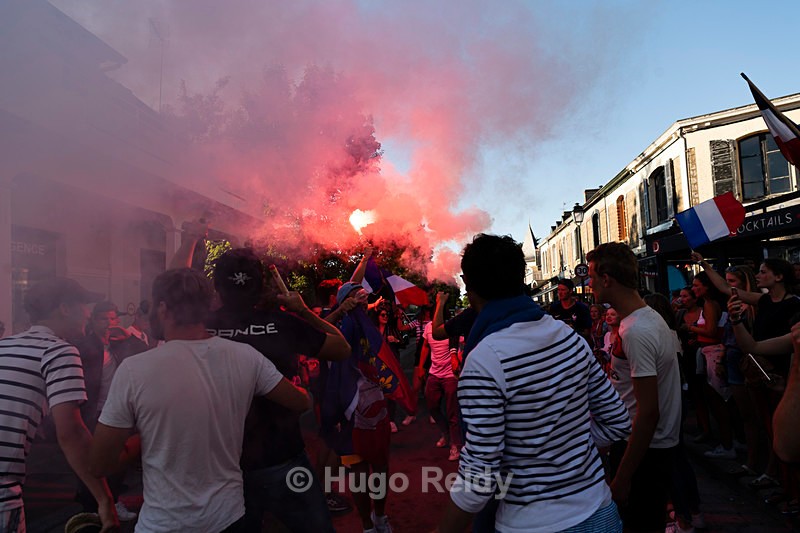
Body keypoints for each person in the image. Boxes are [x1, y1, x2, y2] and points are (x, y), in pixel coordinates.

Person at [90, 268, 311, 532]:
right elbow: (302, 402)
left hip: (164, 524)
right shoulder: (246, 357)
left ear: (162, 308)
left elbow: (100, 462)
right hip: (229, 518)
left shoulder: (134, 370)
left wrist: (146, 437)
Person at [437, 234, 631, 533]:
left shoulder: (485, 360)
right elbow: (619, 421)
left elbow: (479, 479)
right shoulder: (570, 339)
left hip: (531, 524)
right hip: (599, 513)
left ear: (470, 285)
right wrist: (567, 450)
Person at [0, 278, 118, 532]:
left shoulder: (4, 346)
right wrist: (105, 499)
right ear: (65, 308)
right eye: (85, 305)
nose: (88, 314)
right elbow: (71, 433)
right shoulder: (59, 351)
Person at [587, 242, 682, 533]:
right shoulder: (647, 318)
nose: (589, 284)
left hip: (643, 451)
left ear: (607, 279)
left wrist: (623, 477)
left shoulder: (636, 331)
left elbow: (648, 412)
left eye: (591, 276)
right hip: (651, 448)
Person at [74, 301, 139, 521]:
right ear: (93, 321)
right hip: (92, 411)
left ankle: (115, 500)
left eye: (112, 319)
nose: (108, 323)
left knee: (117, 461)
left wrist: (128, 336)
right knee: (90, 461)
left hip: (117, 411)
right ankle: (89, 507)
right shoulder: (84, 346)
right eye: (103, 319)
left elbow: (144, 352)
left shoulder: (121, 344)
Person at [415, 314, 461, 461]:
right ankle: (445, 433)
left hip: (450, 375)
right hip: (434, 373)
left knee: (452, 411)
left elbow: (463, 343)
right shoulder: (428, 328)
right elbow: (425, 347)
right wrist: (421, 366)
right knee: (431, 405)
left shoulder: (452, 326)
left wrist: (458, 359)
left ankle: (456, 444)